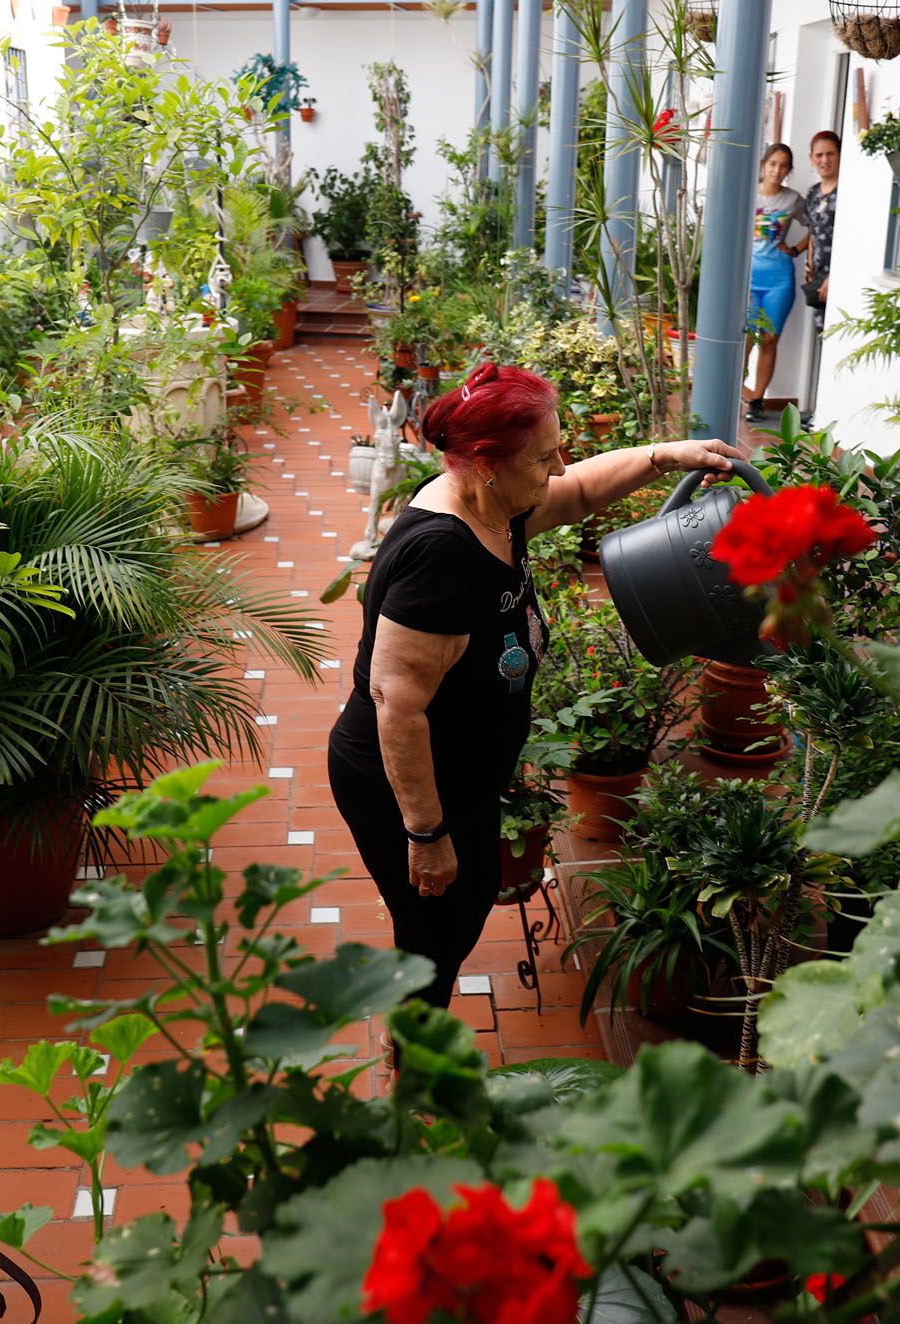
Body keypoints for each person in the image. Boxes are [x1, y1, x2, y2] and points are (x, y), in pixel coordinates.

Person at [327, 363, 747, 1012]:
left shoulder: (497, 505)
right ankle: (415, 1080)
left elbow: (578, 491)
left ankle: (417, 1048)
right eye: (545, 455)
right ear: (488, 463)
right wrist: (425, 833)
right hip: (403, 784)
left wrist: (665, 455)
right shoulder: (439, 555)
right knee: (433, 934)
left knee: (462, 906)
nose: (557, 467)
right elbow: (397, 703)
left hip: (459, 775)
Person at [743, 143, 806, 424]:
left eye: (783, 166)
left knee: (769, 339)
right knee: (744, 337)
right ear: (763, 165)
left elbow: (817, 226)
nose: (777, 170)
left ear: (789, 170)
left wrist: (795, 250)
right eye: (773, 164)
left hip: (779, 279)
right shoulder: (746, 193)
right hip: (747, 279)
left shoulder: (793, 199)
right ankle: (735, 390)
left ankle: (756, 400)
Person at [792, 130, 841, 337]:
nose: (824, 160)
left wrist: (835, 277)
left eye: (830, 154)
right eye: (819, 155)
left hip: (838, 274)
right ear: (811, 158)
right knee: (823, 333)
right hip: (818, 276)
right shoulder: (813, 193)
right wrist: (809, 264)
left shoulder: (847, 189)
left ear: (839, 154)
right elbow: (812, 231)